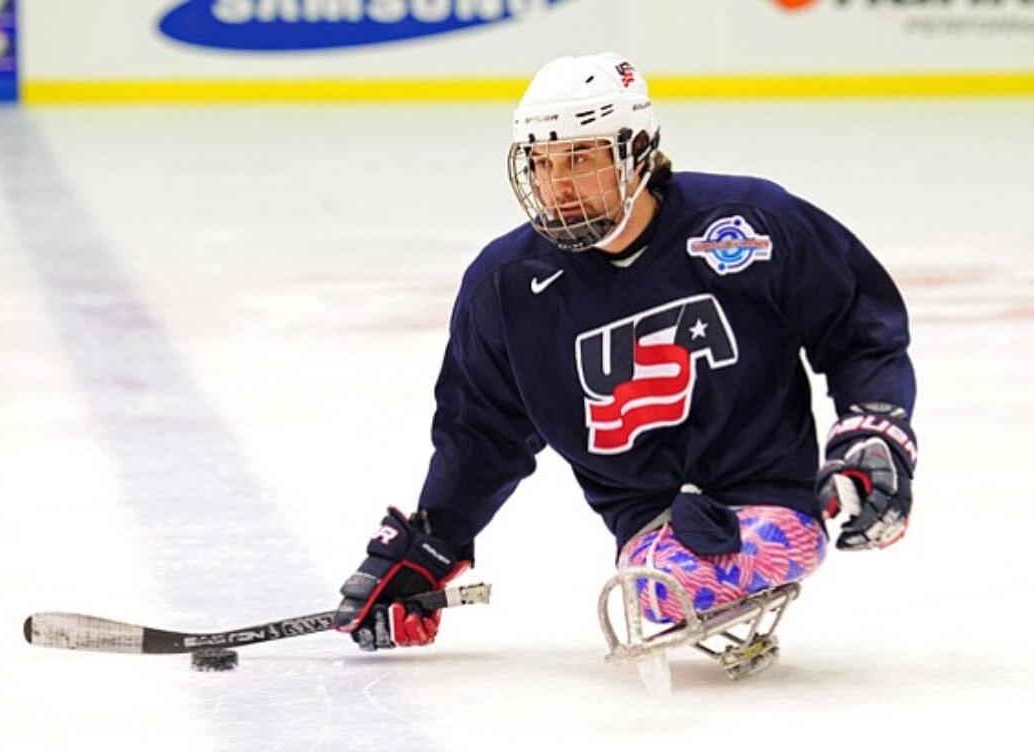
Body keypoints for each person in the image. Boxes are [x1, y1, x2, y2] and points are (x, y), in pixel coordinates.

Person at [332, 53, 918, 652]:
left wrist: (874, 428)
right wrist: (430, 549)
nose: (556, 184)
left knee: (718, 566)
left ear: (637, 152)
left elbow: (857, 325)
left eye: (579, 157)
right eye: (540, 161)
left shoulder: (748, 223)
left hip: (770, 490)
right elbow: (482, 433)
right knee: (661, 588)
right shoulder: (506, 288)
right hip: (649, 528)